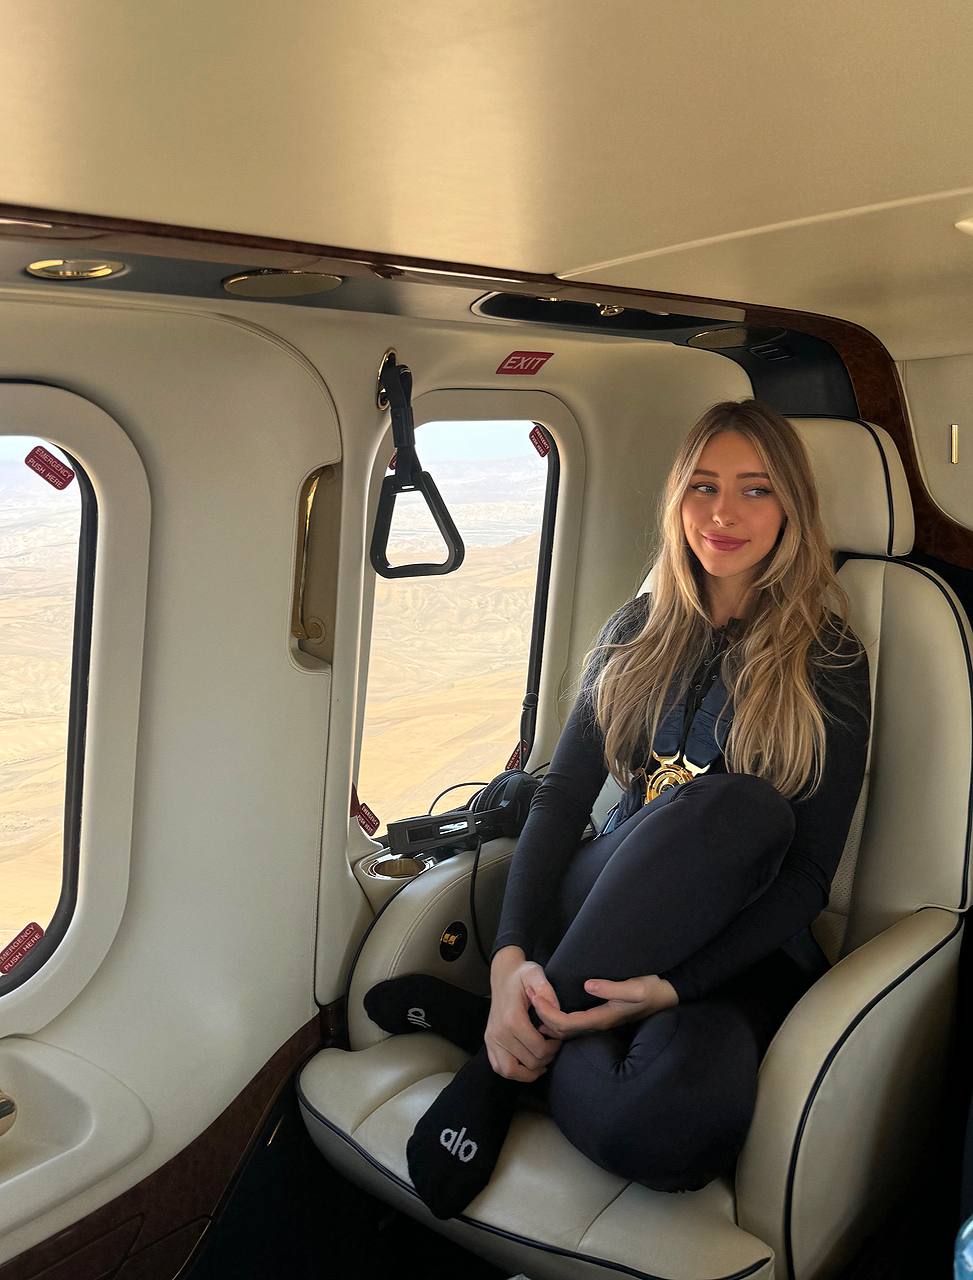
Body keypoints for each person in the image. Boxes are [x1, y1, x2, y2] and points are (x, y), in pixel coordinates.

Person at [363, 398, 872, 1221]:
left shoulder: (829, 658)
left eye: (755, 489)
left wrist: (672, 990)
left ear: (792, 508)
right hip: (610, 908)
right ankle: (499, 1064)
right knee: (742, 808)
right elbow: (561, 797)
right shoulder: (638, 628)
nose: (723, 513)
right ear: (677, 499)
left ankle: (504, 1033)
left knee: (673, 1128)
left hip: (729, 954)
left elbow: (808, 874)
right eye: (703, 486)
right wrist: (509, 957)